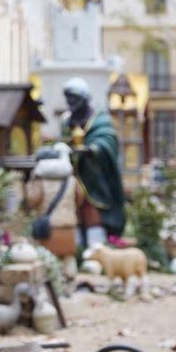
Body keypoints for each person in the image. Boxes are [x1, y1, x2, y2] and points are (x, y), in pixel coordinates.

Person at [61, 78, 126, 248]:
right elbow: (63, 140)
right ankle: (76, 249)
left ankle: (96, 248)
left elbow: (108, 139)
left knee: (92, 210)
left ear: (83, 98)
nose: (70, 102)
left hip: (94, 176)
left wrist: (93, 149)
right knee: (72, 210)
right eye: (68, 98)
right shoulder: (66, 120)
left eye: (74, 98)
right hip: (72, 175)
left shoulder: (100, 119)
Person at [26, 143, 79, 279]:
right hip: (68, 225)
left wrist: (27, 185)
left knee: (47, 260)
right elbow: (79, 198)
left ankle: (53, 286)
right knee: (68, 258)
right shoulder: (71, 180)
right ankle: (70, 284)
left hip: (49, 226)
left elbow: (32, 200)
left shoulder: (40, 181)